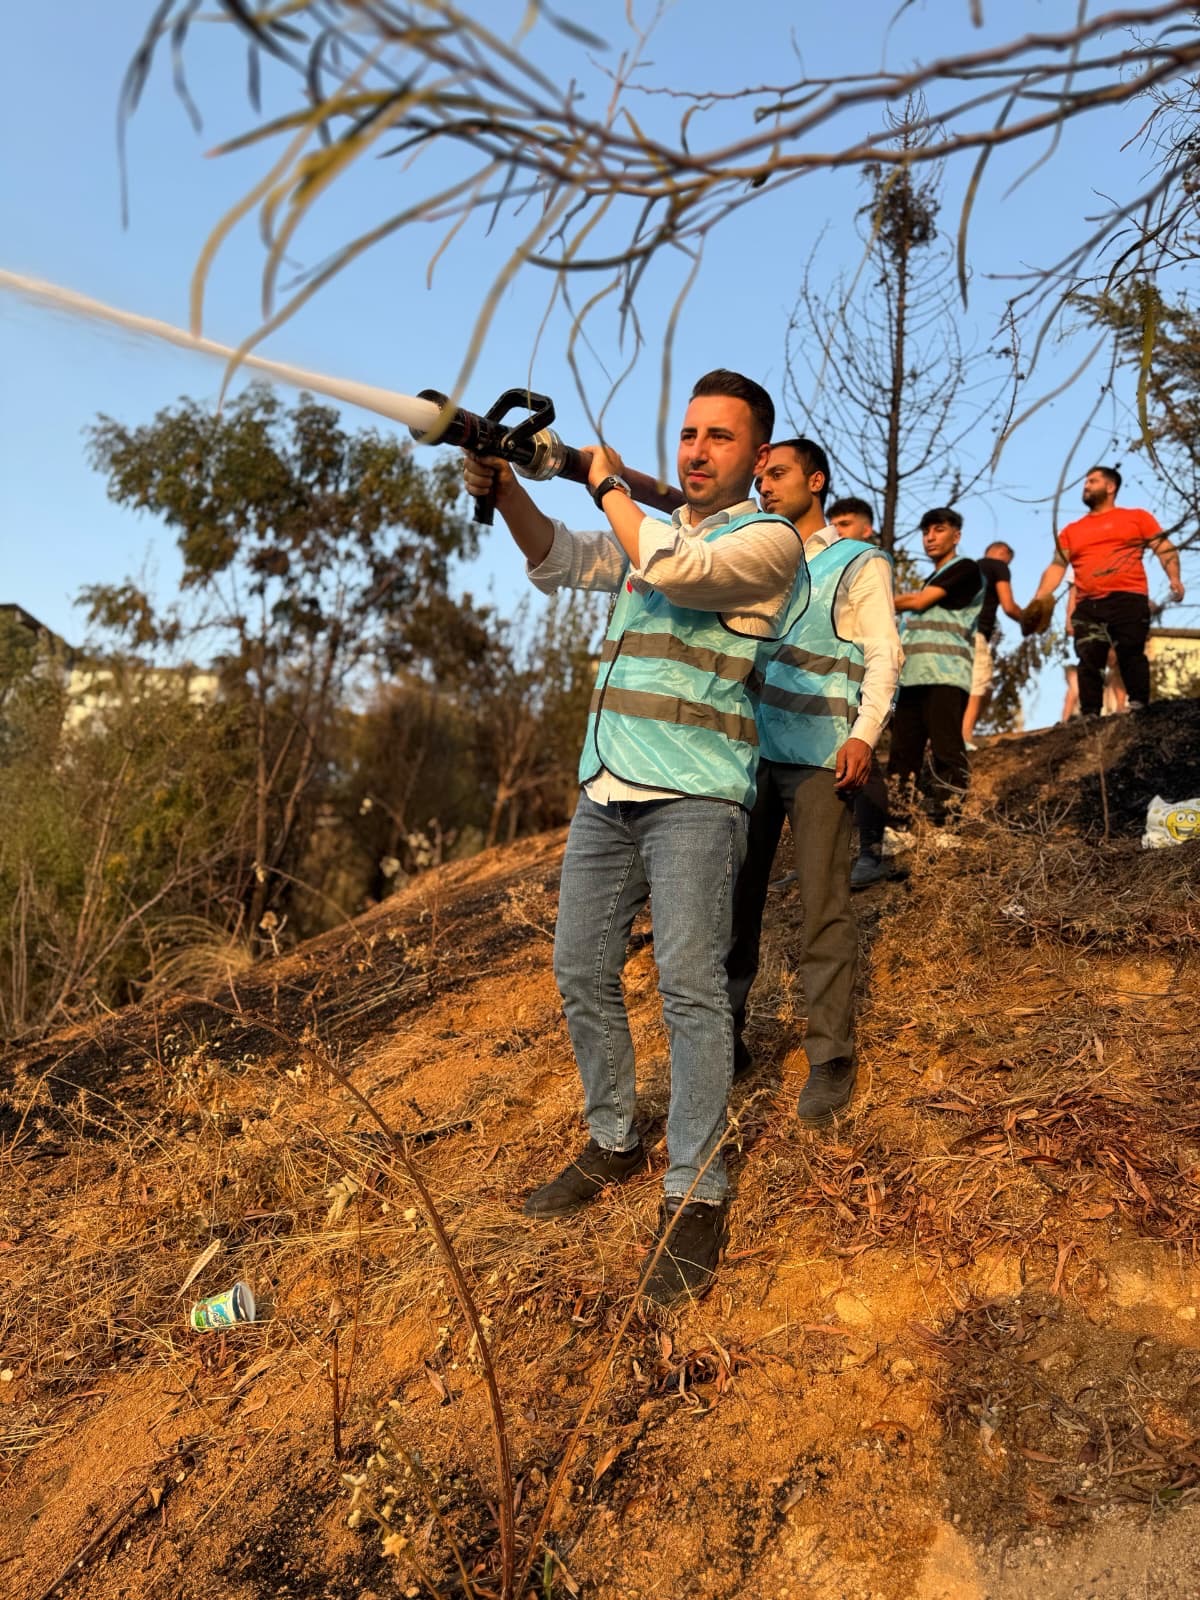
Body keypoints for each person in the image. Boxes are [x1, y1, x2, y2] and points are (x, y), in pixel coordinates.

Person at [461, 370, 808, 1308]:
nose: (697, 450)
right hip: (607, 791)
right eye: (689, 434)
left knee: (691, 992)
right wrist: (512, 488)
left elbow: (674, 570)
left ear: (757, 458)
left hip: (696, 799)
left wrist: (608, 480)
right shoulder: (660, 534)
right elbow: (564, 561)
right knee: (580, 971)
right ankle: (615, 1138)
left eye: (720, 438)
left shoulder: (765, 542)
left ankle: (696, 1188)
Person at [726, 449, 901, 1126]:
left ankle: (830, 1055)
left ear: (816, 481)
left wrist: (865, 734)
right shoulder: (756, 559)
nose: (764, 486)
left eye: (777, 476)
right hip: (743, 759)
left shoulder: (857, 561)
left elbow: (885, 653)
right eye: (760, 477)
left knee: (823, 908)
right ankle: (725, 1043)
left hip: (821, 760)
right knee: (733, 903)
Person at [1027, 466, 1185, 716]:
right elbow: (1057, 566)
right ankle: (1089, 715)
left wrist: (1174, 577)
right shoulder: (1071, 530)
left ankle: (1139, 708)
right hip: (1088, 604)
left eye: (1093, 481)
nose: (1086, 486)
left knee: (1130, 652)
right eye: (1085, 482)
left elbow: (1163, 546)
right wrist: (1039, 598)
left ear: (1110, 487)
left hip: (1128, 597)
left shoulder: (1137, 517)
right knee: (1089, 659)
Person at [886, 508, 983, 827]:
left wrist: (876, 598)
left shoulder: (964, 569)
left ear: (956, 536)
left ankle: (948, 822)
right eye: (926, 532)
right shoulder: (934, 577)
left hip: (945, 675)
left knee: (946, 749)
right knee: (902, 754)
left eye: (938, 530)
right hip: (913, 678)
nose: (930, 537)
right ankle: (899, 825)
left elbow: (919, 602)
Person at [962, 540, 1023, 748]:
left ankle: (952, 735)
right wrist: (1029, 620)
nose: (1008, 565)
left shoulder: (967, 567)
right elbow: (1009, 606)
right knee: (978, 686)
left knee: (973, 688)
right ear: (1002, 553)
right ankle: (964, 738)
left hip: (952, 634)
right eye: (1009, 560)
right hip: (976, 634)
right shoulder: (998, 566)